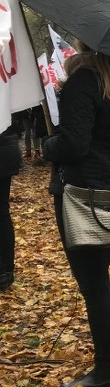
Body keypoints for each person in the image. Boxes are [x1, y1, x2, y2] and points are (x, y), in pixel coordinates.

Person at [41, 47, 110, 387]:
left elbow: (74, 144)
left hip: (81, 191)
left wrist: (48, 144)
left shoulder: (86, 81)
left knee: (93, 285)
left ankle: (106, 370)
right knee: (100, 281)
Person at [0, 123, 23, 290]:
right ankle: (5, 268)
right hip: (7, 150)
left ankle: (4, 269)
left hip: (4, 150)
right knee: (2, 212)